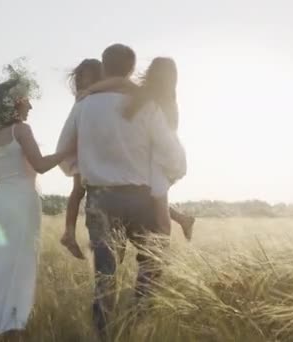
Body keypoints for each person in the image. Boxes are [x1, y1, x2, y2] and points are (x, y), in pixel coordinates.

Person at [56, 44, 186, 339]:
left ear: (104, 67)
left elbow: (64, 153)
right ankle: (137, 319)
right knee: (153, 262)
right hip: (141, 199)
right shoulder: (146, 104)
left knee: (106, 273)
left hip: (100, 199)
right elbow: (172, 155)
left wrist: (87, 168)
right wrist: (164, 178)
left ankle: (104, 335)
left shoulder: (83, 105)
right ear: (131, 68)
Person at [0, 66, 71, 342]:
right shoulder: (21, 131)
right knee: (19, 264)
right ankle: (11, 327)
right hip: (22, 202)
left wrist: (3, 193)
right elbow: (41, 165)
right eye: (27, 100)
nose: (31, 106)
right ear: (17, 103)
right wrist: (69, 150)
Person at [76, 57, 195, 240]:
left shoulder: (145, 94)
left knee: (157, 200)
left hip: (159, 155)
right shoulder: (168, 99)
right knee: (152, 197)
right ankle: (178, 226)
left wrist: (91, 90)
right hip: (168, 153)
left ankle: (162, 249)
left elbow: (120, 82)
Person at [60, 59, 103, 260]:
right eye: (80, 75)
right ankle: (69, 233)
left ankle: (69, 233)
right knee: (78, 189)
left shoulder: (90, 94)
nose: (80, 79)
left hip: (84, 145)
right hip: (83, 145)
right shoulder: (87, 96)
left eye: (83, 75)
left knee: (78, 190)